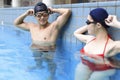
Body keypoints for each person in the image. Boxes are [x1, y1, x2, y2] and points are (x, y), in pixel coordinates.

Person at [14, 2, 71, 80]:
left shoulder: (54, 26)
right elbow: (16, 23)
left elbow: (67, 12)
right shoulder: (32, 27)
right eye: (39, 15)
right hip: (35, 49)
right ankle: (38, 66)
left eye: (44, 14)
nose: (42, 18)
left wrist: (54, 10)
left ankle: (52, 75)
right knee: (37, 58)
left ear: (48, 14)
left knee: (49, 62)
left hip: (48, 51)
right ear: (35, 16)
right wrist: (26, 14)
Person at [74, 8, 120, 80]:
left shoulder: (111, 46)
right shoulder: (90, 39)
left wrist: (116, 23)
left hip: (104, 69)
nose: (86, 24)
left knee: (95, 77)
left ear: (98, 25)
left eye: (87, 22)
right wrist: (91, 24)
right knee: (80, 70)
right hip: (87, 65)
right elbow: (76, 33)